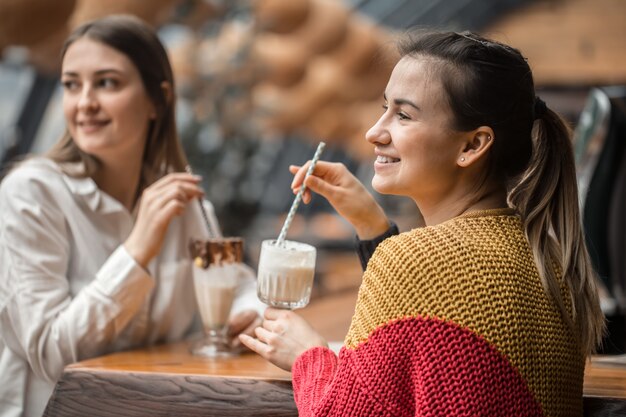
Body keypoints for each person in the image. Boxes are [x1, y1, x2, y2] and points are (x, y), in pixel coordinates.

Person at [240, 30, 606, 416]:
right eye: (384, 108)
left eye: (403, 115)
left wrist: (307, 356)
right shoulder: (549, 261)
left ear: (472, 146)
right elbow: (428, 354)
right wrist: (372, 226)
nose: (373, 132)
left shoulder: (416, 262)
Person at [0, 15, 262, 417]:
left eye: (107, 83)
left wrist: (249, 317)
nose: (85, 102)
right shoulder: (30, 195)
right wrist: (138, 248)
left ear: (157, 100)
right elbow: (51, 356)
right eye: (72, 84)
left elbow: (237, 286)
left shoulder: (184, 203)